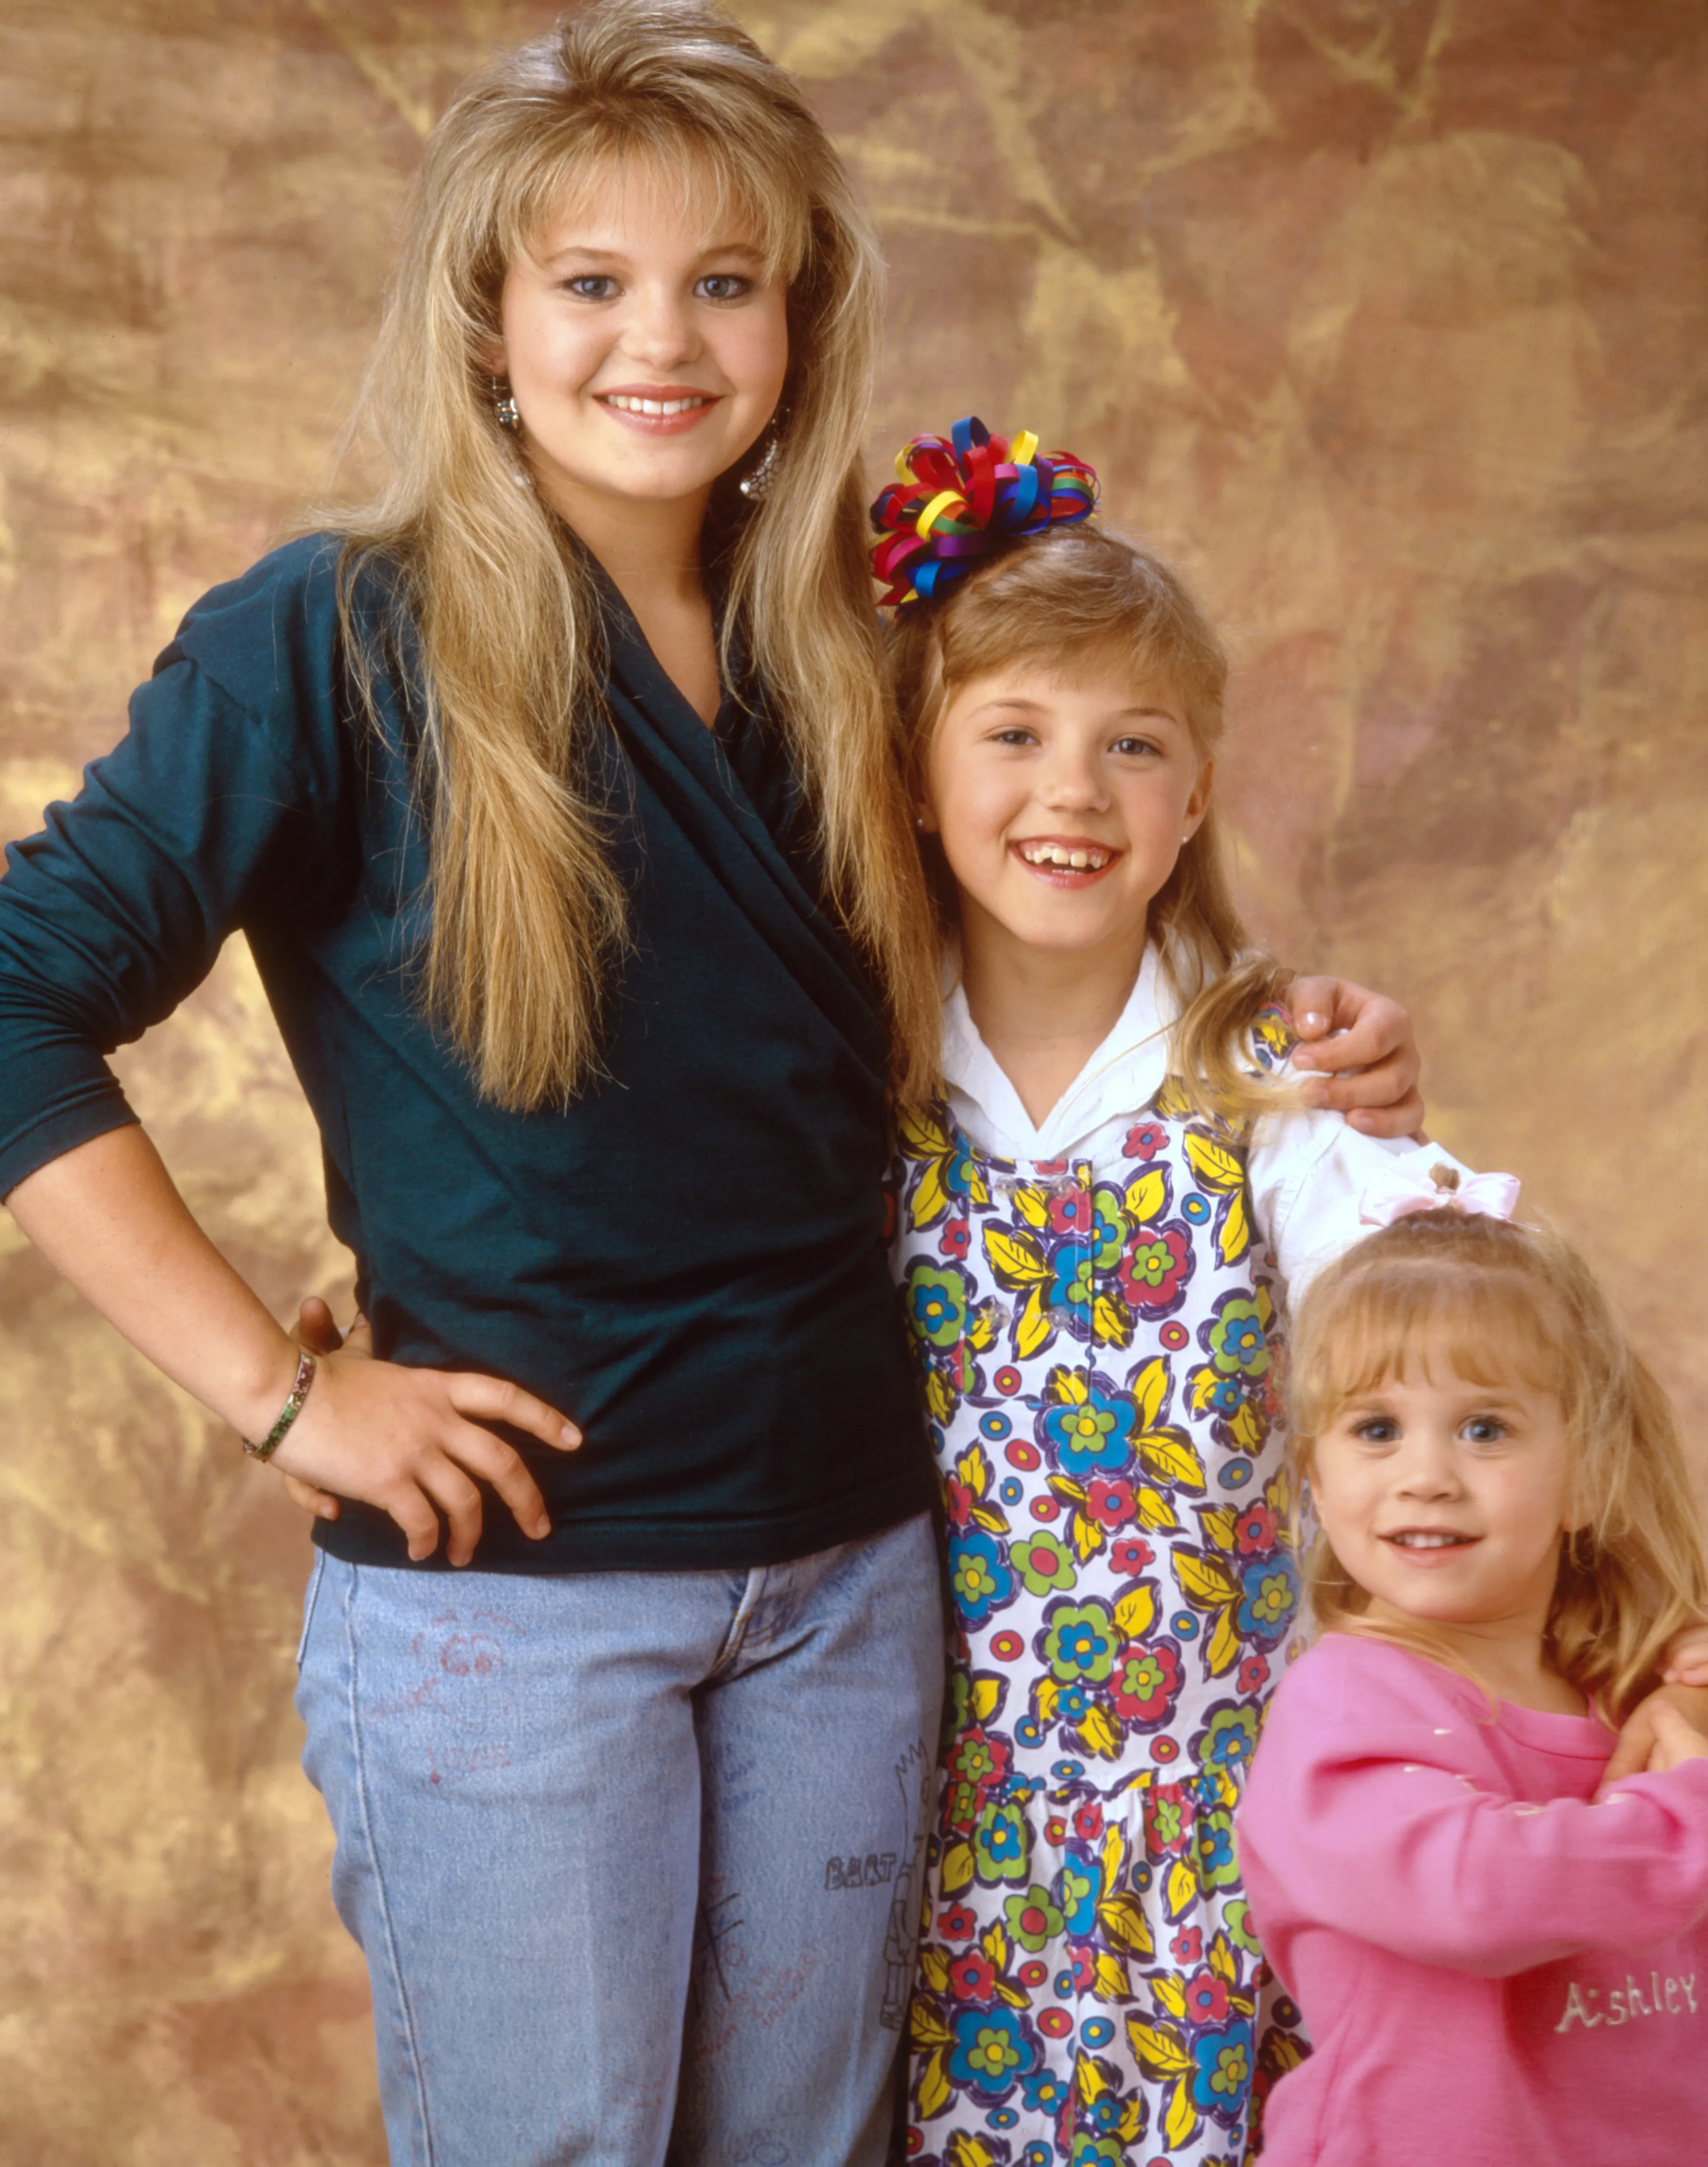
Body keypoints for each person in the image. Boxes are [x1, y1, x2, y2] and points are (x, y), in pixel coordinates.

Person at [0, 13, 1420, 2164]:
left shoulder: (847, 648)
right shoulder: (330, 639)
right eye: (589, 281)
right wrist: (278, 1394)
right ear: (488, 318)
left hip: (854, 1584)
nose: (656, 341)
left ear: (796, 316)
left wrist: (1278, 1037)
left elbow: (1056, 887)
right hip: (518, 1615)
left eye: (723, 280)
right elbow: (18, 1000)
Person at [876, 420, 1455, 2167]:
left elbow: (1439, 1345)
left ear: (1190, 795)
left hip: (1202, 1808)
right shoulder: (851, 1075)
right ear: (913, 771)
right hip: (917, 1814)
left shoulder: (1273, 1078)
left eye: (1131, 745)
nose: (1072, 788)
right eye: (1015, 733)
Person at [1238, 1199, 1708, 2166]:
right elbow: (1474, 1890)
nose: (1426, 1474)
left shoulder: (1628, 1696)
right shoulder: (1344, 1704)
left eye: (1484, 1428)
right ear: (1316, 1487)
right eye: (1375, 1429)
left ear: (1585, 1476)